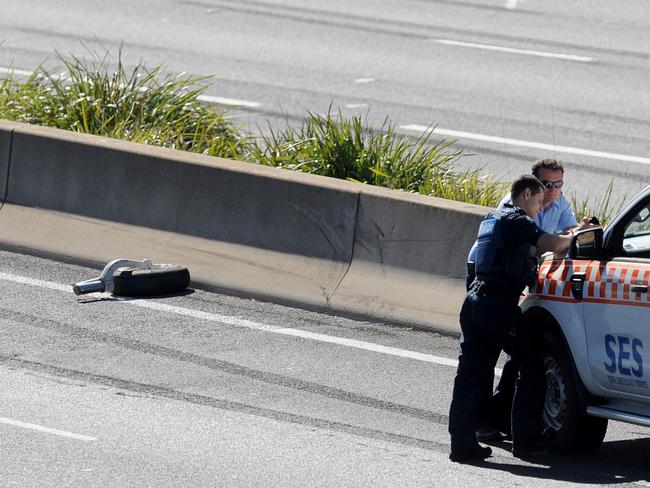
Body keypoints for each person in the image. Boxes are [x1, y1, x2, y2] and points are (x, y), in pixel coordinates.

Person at [448, 175, 581, 463]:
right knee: (531, 366)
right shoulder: (518, 219)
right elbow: (551, 244)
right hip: (497, 306)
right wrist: (578, 235)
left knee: (470, 374)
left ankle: (461, 444)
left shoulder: (494, 217)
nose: (540, 208)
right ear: (527, 193)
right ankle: (526, 443)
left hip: (475, 301)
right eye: (539, 201)